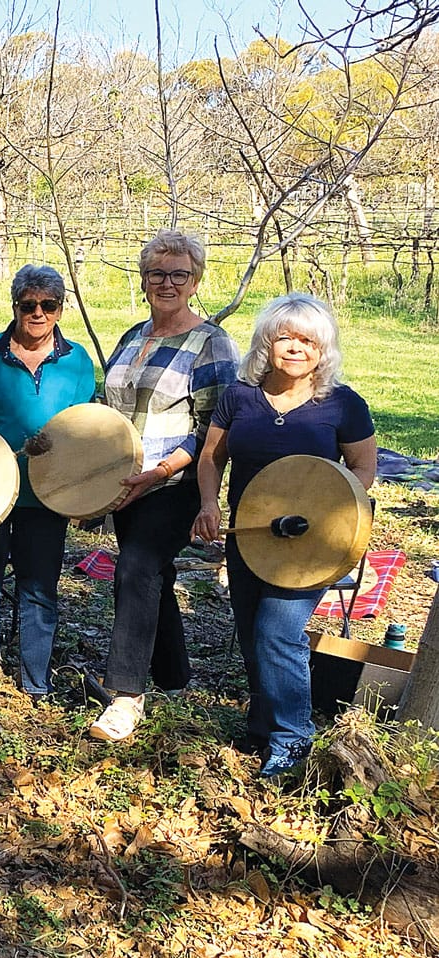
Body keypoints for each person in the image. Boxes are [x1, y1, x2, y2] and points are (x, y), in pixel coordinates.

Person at [193, 294, 375, 777]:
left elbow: (362, 467)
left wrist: (329, 511)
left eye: (308, 341)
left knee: (278, 631)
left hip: (311, 543)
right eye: (285, 338)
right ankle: (262, 722)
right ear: (266, 345)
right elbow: (212, 458)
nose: (296, 349)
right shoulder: (239, 397)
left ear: (324, 349)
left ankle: (293, 738)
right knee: (254, 631)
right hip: (251, 533)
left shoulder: (342, 404)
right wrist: (209, 503)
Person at [89, 229, 239, 741]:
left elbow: (214, 429)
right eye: (157, 273)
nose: (167, 282)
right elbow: (106, 408)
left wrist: (161, 471)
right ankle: (174, 678)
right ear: (144, 279)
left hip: (173, 482)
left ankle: (126, 694)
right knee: (150, 573)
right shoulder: (133, 336)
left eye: (179, 274)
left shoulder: (211, 342)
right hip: (125, 482)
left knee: (134, 567)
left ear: (195, 281)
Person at [0, 265, 97, 701]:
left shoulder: (76, 362)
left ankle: (36, 679)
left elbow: (85, 430)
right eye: (28, 305)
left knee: (39, 587)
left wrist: (83, 492)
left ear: (60, 309)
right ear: (15, 306)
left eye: (48, 305)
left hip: (48, 495)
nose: (38, 313)